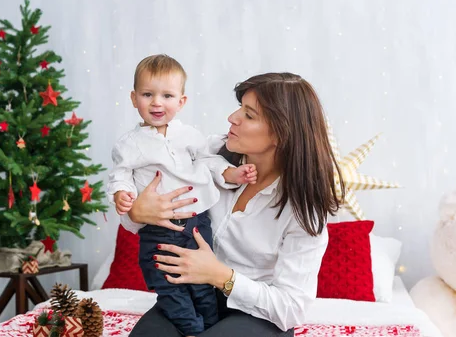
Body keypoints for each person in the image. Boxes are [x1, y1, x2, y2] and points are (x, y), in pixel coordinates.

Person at [121, 72, 345, 337]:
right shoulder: (208, 155)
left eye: (249, 115)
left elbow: (291, 308)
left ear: (281, 134)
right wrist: (135, 213)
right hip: (190, 294)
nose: (232, 118)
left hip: (255, 313)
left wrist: (220, 275)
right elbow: (136, 217)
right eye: (239, 108)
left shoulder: (302, 211)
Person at [107, 54, 257, 337]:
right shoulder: (128, 144)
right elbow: (120, 174)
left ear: (181, 102)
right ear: (133, 98)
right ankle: (191, 330)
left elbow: (210, 162)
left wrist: (233, 175)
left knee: (202, 287)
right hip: (157, 231)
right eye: (147, 94)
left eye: (167, 95)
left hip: (197, 224)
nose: (157, 103)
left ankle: (209, 328)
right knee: (169, 286)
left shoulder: (189, 136)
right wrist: (123, 194)